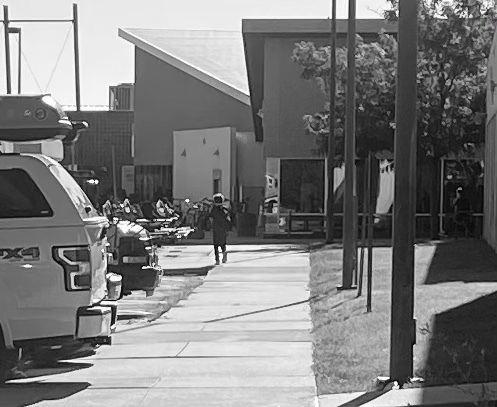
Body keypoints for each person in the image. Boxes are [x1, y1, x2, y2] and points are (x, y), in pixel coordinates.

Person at [209, 193, 231, 265]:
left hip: (216, 228)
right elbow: (228, 219)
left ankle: (217, 259)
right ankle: (224, 254)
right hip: (223, 228)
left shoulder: (213, 209)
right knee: (222, 243)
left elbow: (210, 218)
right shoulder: (224, 209)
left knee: (216, 244)